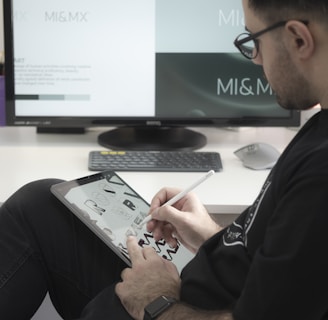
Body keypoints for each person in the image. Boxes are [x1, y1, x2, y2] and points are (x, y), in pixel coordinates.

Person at [1, 0, 328, 318]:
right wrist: (211, 237)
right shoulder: (318, 129)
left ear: (298, 39)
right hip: (191, 287)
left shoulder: (320, 173)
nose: (255, 59)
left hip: (172, 307)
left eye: (253, 40)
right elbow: (279, 260)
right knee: (42, 201)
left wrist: (156, 301)